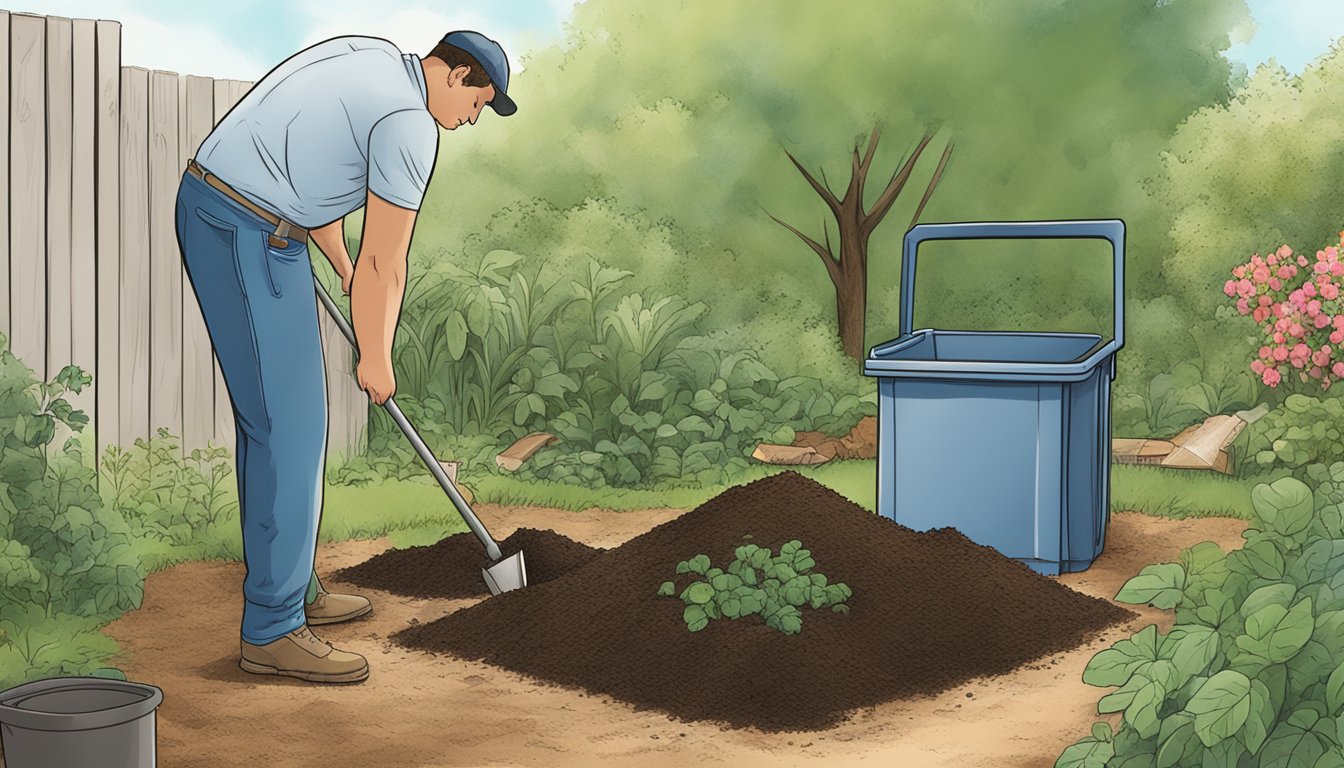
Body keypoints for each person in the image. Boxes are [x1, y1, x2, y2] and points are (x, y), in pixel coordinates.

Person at [175, 30, 516, 684]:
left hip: (240, 214)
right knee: (290, 428)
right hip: (245, 228)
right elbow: (386, 261)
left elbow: (312, 168)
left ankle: (292, 586)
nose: (473, 118)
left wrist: (335, 262)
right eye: (478, 102)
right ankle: (272, 629)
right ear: (457, 74)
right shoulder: (410, 124)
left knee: (276, 424)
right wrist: (377, 357)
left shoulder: (372, 59)